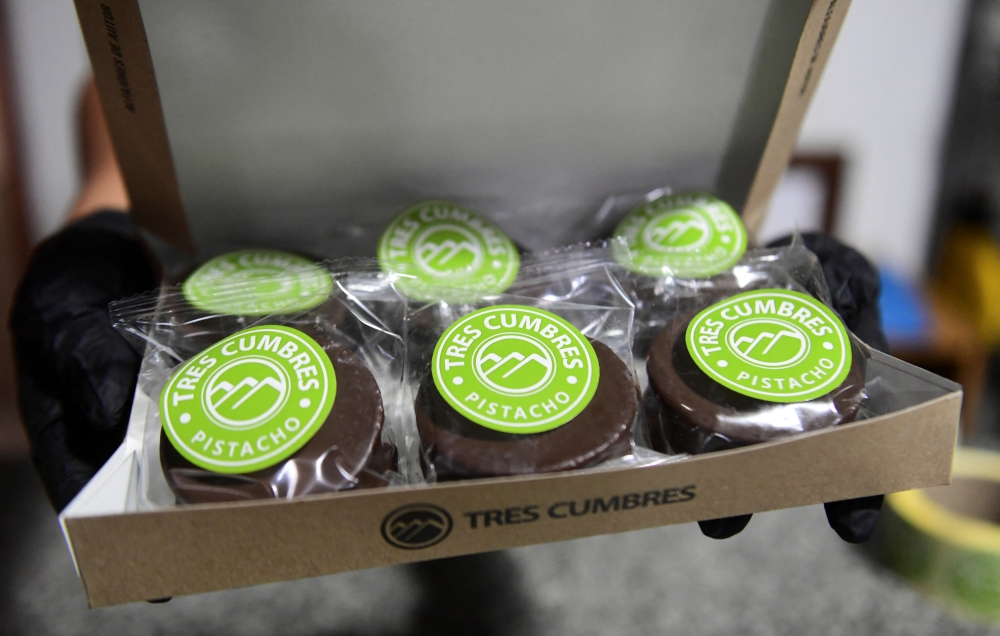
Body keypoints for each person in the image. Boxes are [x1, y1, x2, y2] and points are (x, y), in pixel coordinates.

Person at [9, 79, 884, 541]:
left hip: (592, 324)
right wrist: (101, 215)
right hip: (308, 327)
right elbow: (141, 78)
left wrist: (746, 269)